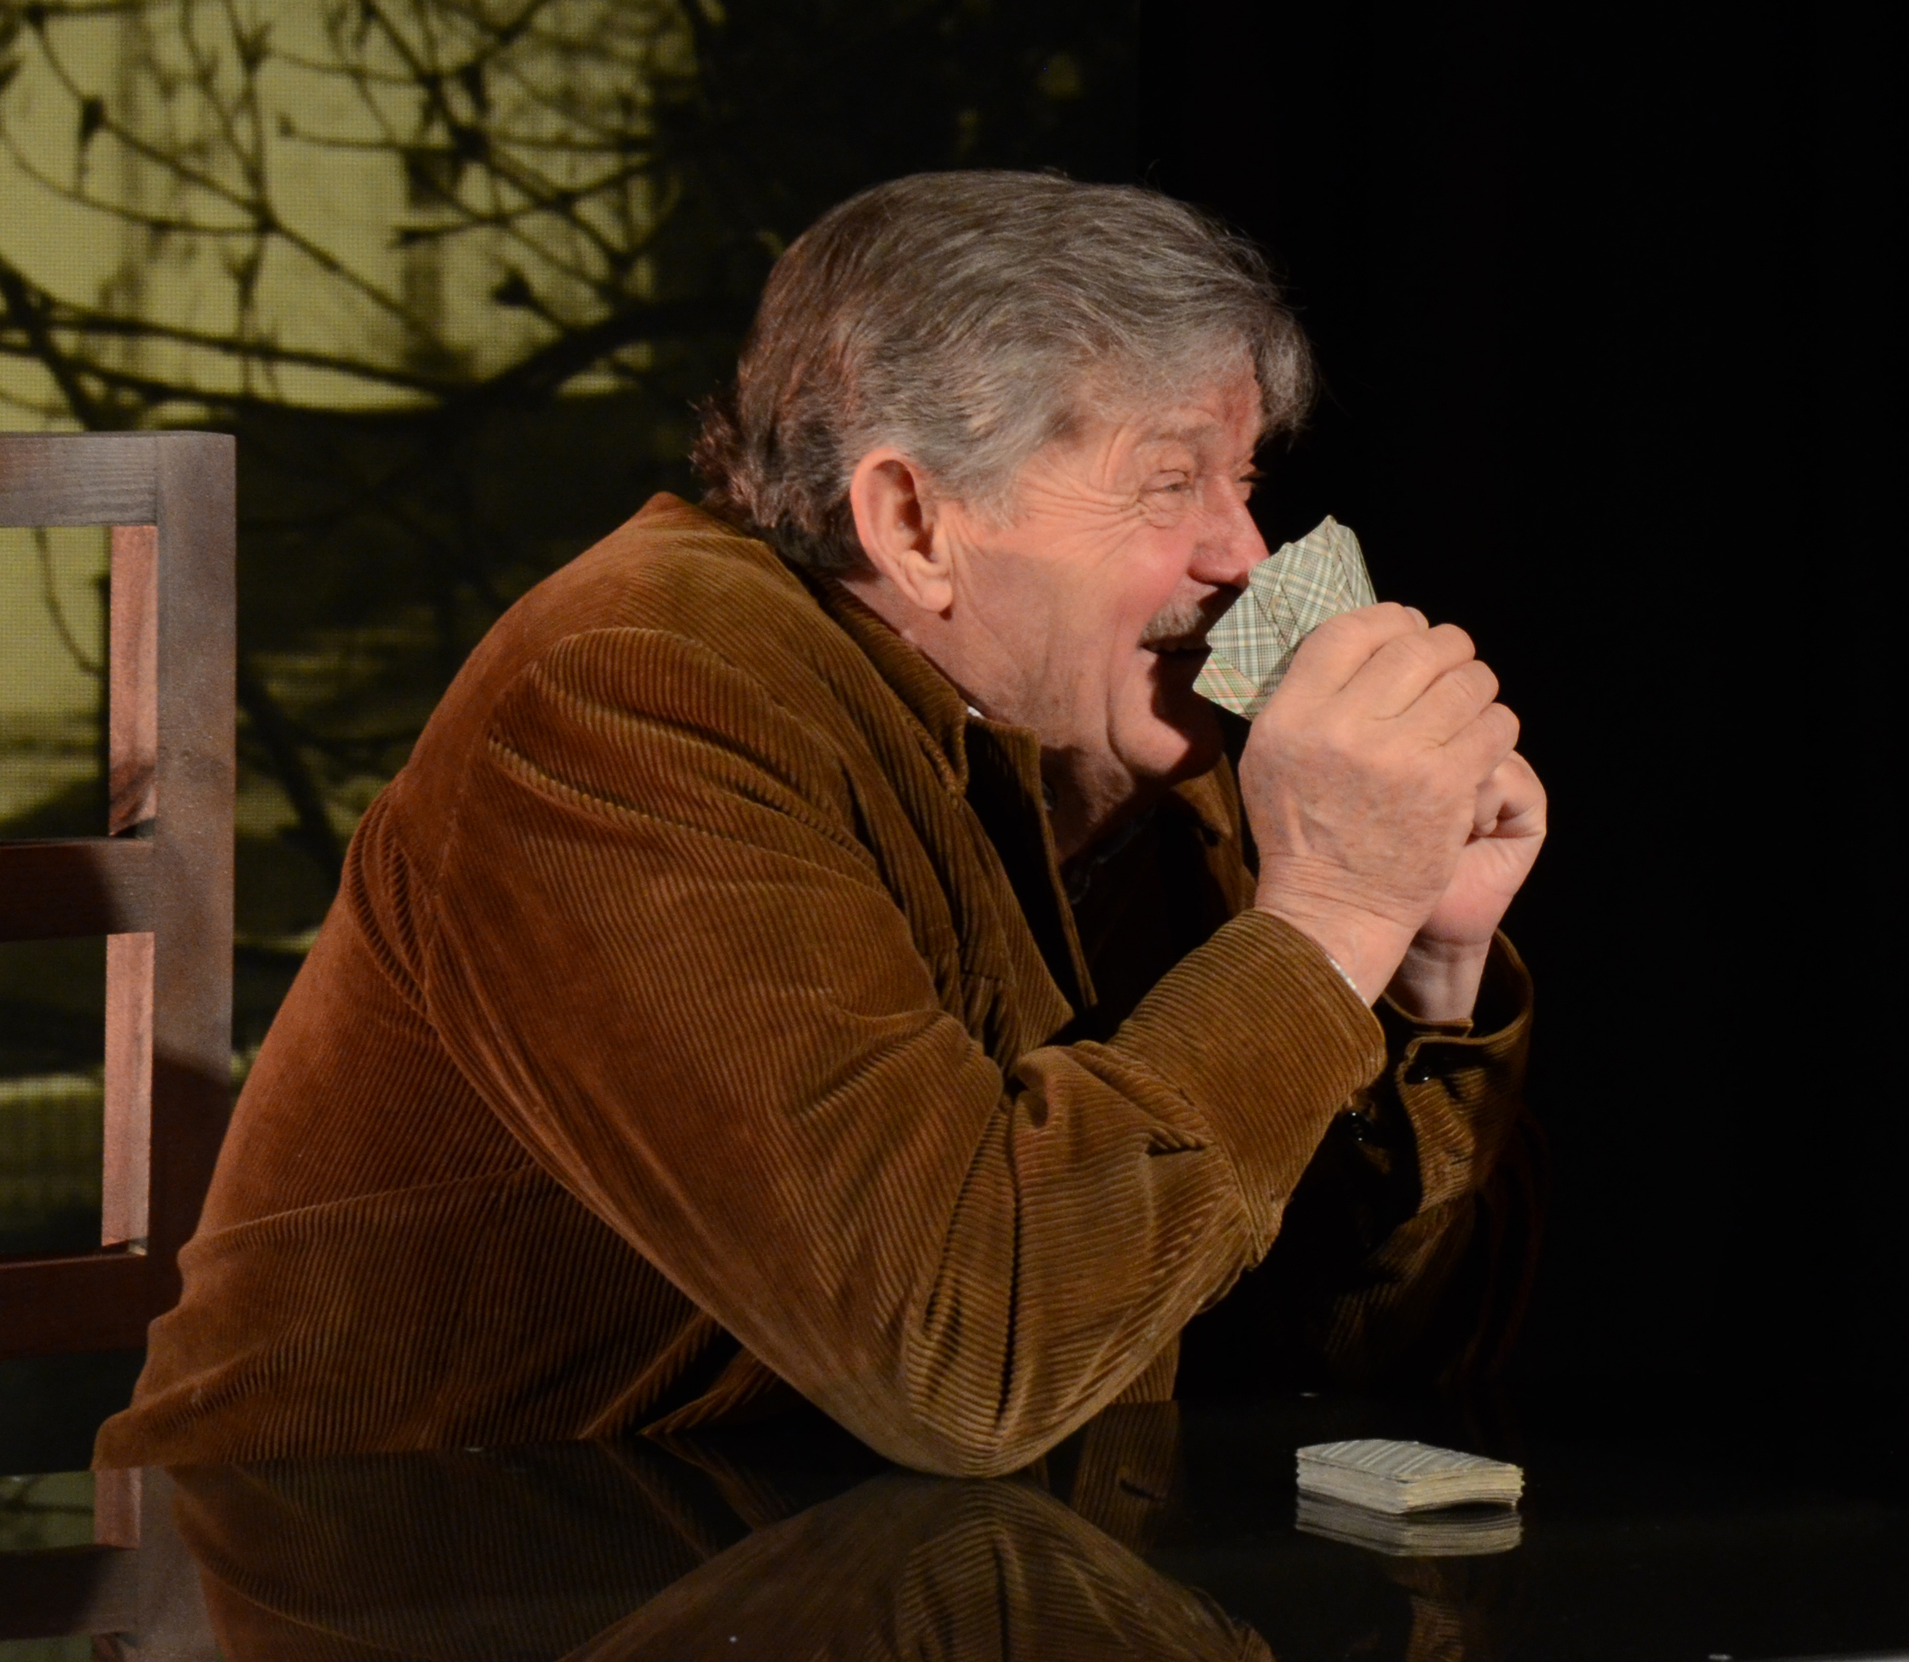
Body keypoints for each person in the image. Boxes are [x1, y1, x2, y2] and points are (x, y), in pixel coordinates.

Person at [98, 172, 1541, 1474]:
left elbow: (1339, 1375)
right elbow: (963, 1358)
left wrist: (1422, 968)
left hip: (858, 1586)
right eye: (1170, 483)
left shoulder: (1155, 758)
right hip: (406, 1580)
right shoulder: (637, 694)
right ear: (912, 521)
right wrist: (1326, 918)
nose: (1245, 555)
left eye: (1244, 481)